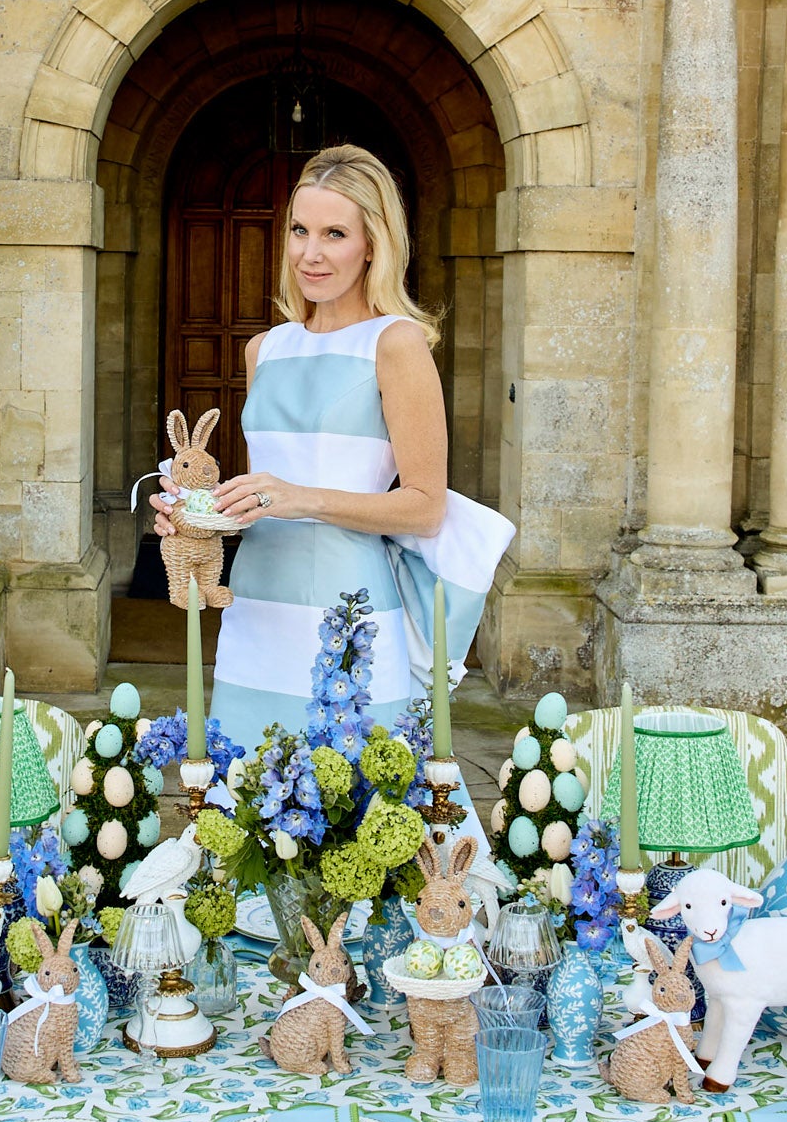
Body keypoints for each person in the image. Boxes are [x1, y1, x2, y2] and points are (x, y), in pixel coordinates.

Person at [151, 143, 514, 762]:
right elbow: (268, 494)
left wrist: (299, 498)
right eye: (299, 230)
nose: (310, 253)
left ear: (371, 244)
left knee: (356, 803)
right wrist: (203, 521)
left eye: (334, 233)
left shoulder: (396, 344)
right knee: (248, 807)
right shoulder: (264, 349)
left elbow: (425, 508)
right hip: (256, 603)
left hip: (350, 613)